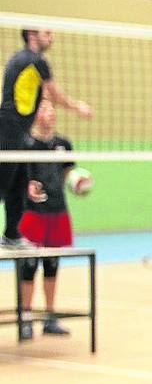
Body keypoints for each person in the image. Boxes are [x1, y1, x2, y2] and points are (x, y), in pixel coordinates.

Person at [1, 30, 91, 248]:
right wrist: (78, 107)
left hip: (18, 134)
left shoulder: (23, 62)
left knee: (20, 184)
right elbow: (55, 94)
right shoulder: (34, 60)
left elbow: (45, 95)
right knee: (3, 184)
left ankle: (12, 235)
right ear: (32, 34)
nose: (51, 38)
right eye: (47, 33)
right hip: (7, 131)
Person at [17, 98, 76, 340]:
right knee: (29, 266)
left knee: (52, 265)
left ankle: (50, 319)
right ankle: (27, 319)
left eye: (51, 107)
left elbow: (67, 175)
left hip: (57, 212)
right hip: (32, 213)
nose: (48, 112)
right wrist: (27, 187)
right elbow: (17, 177)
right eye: (42, 107)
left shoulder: (63, 144)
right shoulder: (26, 144)